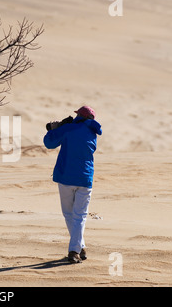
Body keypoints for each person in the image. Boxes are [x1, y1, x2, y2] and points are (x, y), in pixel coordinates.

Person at [43, 106, 102, 263]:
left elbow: (49, 143)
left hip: (66, 177)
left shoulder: (68, 129)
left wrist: (55, 128)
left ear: (79, 116)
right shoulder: (93, 133)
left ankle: (73, 251)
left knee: (69, 214)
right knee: (80, 216)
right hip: (85, 179)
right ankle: (80, 246)